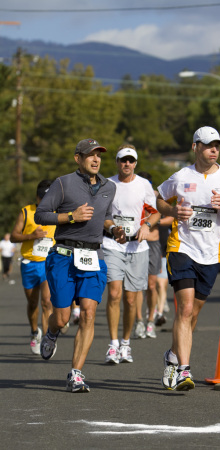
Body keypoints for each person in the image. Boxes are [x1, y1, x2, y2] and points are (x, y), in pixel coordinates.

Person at [156, 126, 220, 391]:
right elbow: (159, 199)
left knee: (193, 314)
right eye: (209, 145)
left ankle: (173, 355)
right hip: (182, 248)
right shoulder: (181, 175)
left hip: (210, 254)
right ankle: (184, 371)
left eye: (217, 146)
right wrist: (174, 211)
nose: (214, 150)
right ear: (195, 146)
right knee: (184, 310)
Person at [34, 138, 125, 393]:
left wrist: (115, 228)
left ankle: (76, 374)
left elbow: (105, 217)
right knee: (62, 318)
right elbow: (41, 214)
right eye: (90, 155)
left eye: (99, 155)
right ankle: (52, 332)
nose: (96, 160)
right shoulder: (63, 183)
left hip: (94, 257)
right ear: (78, 158)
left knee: (88, 312)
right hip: (64, 254)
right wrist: (70, 217)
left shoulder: (109, 187)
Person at [103, 145, 160, 364]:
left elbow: (154, 213)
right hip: (113, 245)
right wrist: (113, 229)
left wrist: (147, 227)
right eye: (122, 160)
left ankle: (126, 343)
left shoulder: (144, 185)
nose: (126, 164)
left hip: (137, 247)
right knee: (115, 293)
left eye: (130, 160)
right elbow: (104, 215)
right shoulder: (108, 184)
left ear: (135, 163)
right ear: (117, 162)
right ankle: (113, 344)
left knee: (130, 298)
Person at [10, 180, 55, 355]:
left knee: (47, 301)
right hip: (29, 264)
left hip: (48, 262)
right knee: (32, 303)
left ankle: (46, 339)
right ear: (37, 196)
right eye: (42, 198)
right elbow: (14, 236)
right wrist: (31, 236)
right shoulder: (26, 212)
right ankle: (35, 331)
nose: (44, 201)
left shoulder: (57, 213)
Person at [133, 171, 162, 340]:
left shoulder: (156, 198)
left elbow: (164, 217)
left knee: (152, 285)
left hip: (152, 244)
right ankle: (139, 320)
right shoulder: (133, 194)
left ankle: (150, 320)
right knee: (137, 286)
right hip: (136, 242)